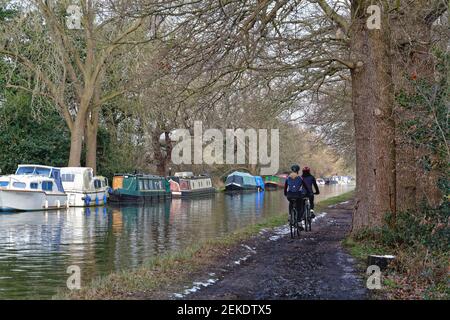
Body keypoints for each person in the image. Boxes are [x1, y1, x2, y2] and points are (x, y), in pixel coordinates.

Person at [284, 164, 308, 229]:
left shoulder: (288, 178)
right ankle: (299, 222)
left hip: (289, 195)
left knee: (291, 203)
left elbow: (285, 187)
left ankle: (290, 215)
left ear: (291, 170)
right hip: (298, 195)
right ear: (298, 171)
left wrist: (285, 194)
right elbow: (305, 187)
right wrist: (307, 192)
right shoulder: (300, 178)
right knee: (300, 207)